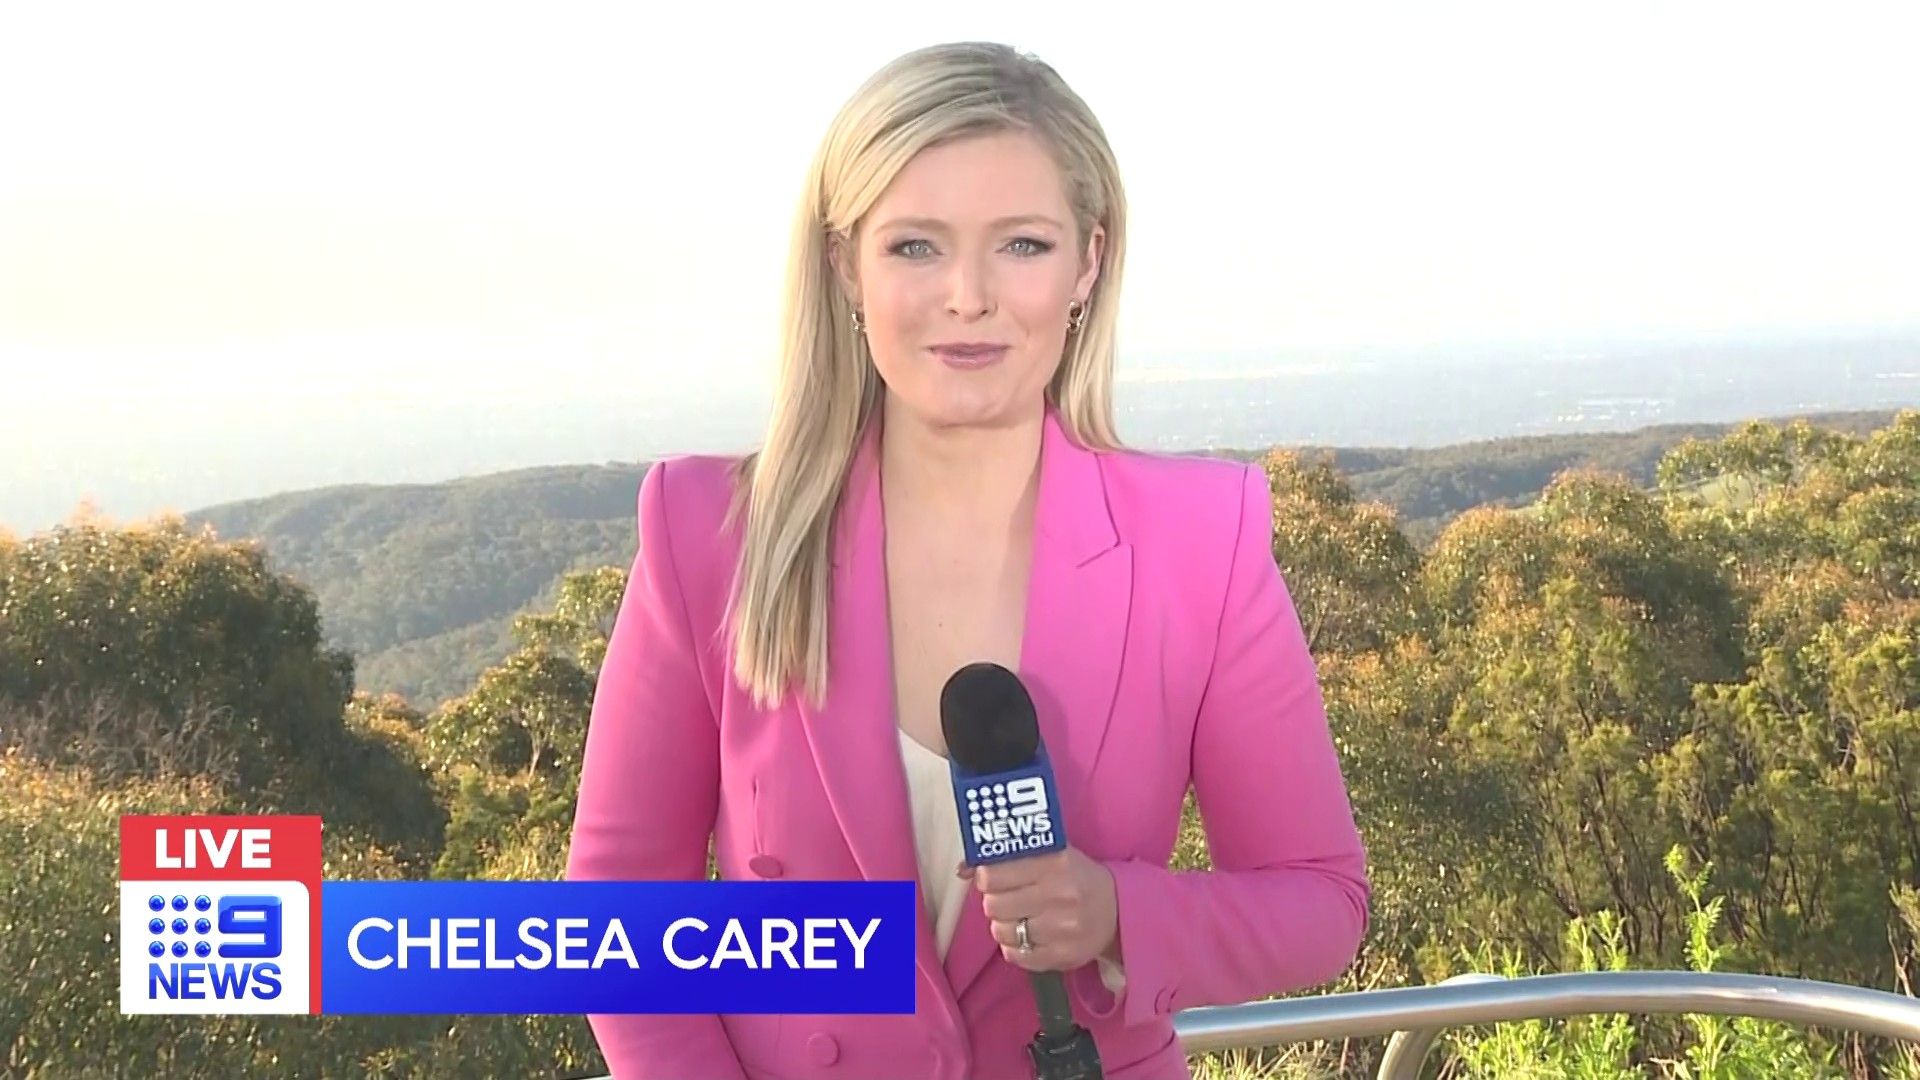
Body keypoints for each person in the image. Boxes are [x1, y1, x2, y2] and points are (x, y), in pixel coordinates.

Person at [565, 40, 1370, 1080]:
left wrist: (1115, 911)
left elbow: (1319, 899)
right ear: (845, 266)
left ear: (1088, 263)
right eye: (915, 247)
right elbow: (620, 915)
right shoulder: (710, 535)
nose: (968, 295)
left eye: (1022, 245)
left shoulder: (1203, 542)